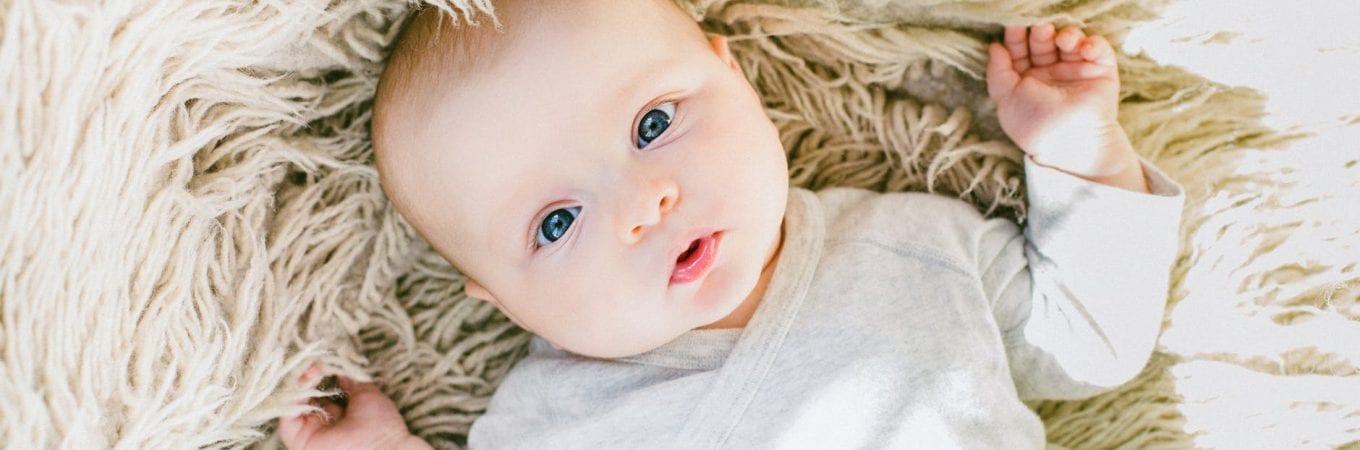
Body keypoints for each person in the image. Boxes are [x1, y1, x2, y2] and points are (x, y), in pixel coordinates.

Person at [278, 0, 1185, 448]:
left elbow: (1089, 346)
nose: (644, 205)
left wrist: (1077, 156)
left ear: (736, 75)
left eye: (653, 124)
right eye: (556, 223)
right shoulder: (547, 425)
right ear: (499, 297)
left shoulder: (917, 249)